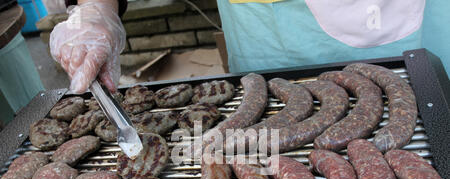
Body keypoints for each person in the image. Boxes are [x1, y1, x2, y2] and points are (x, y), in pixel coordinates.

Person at [50, 0, 450, 94]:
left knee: (426, 110)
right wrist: (94, 10)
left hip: (386, 13)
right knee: (270, 136)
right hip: (259, 22)